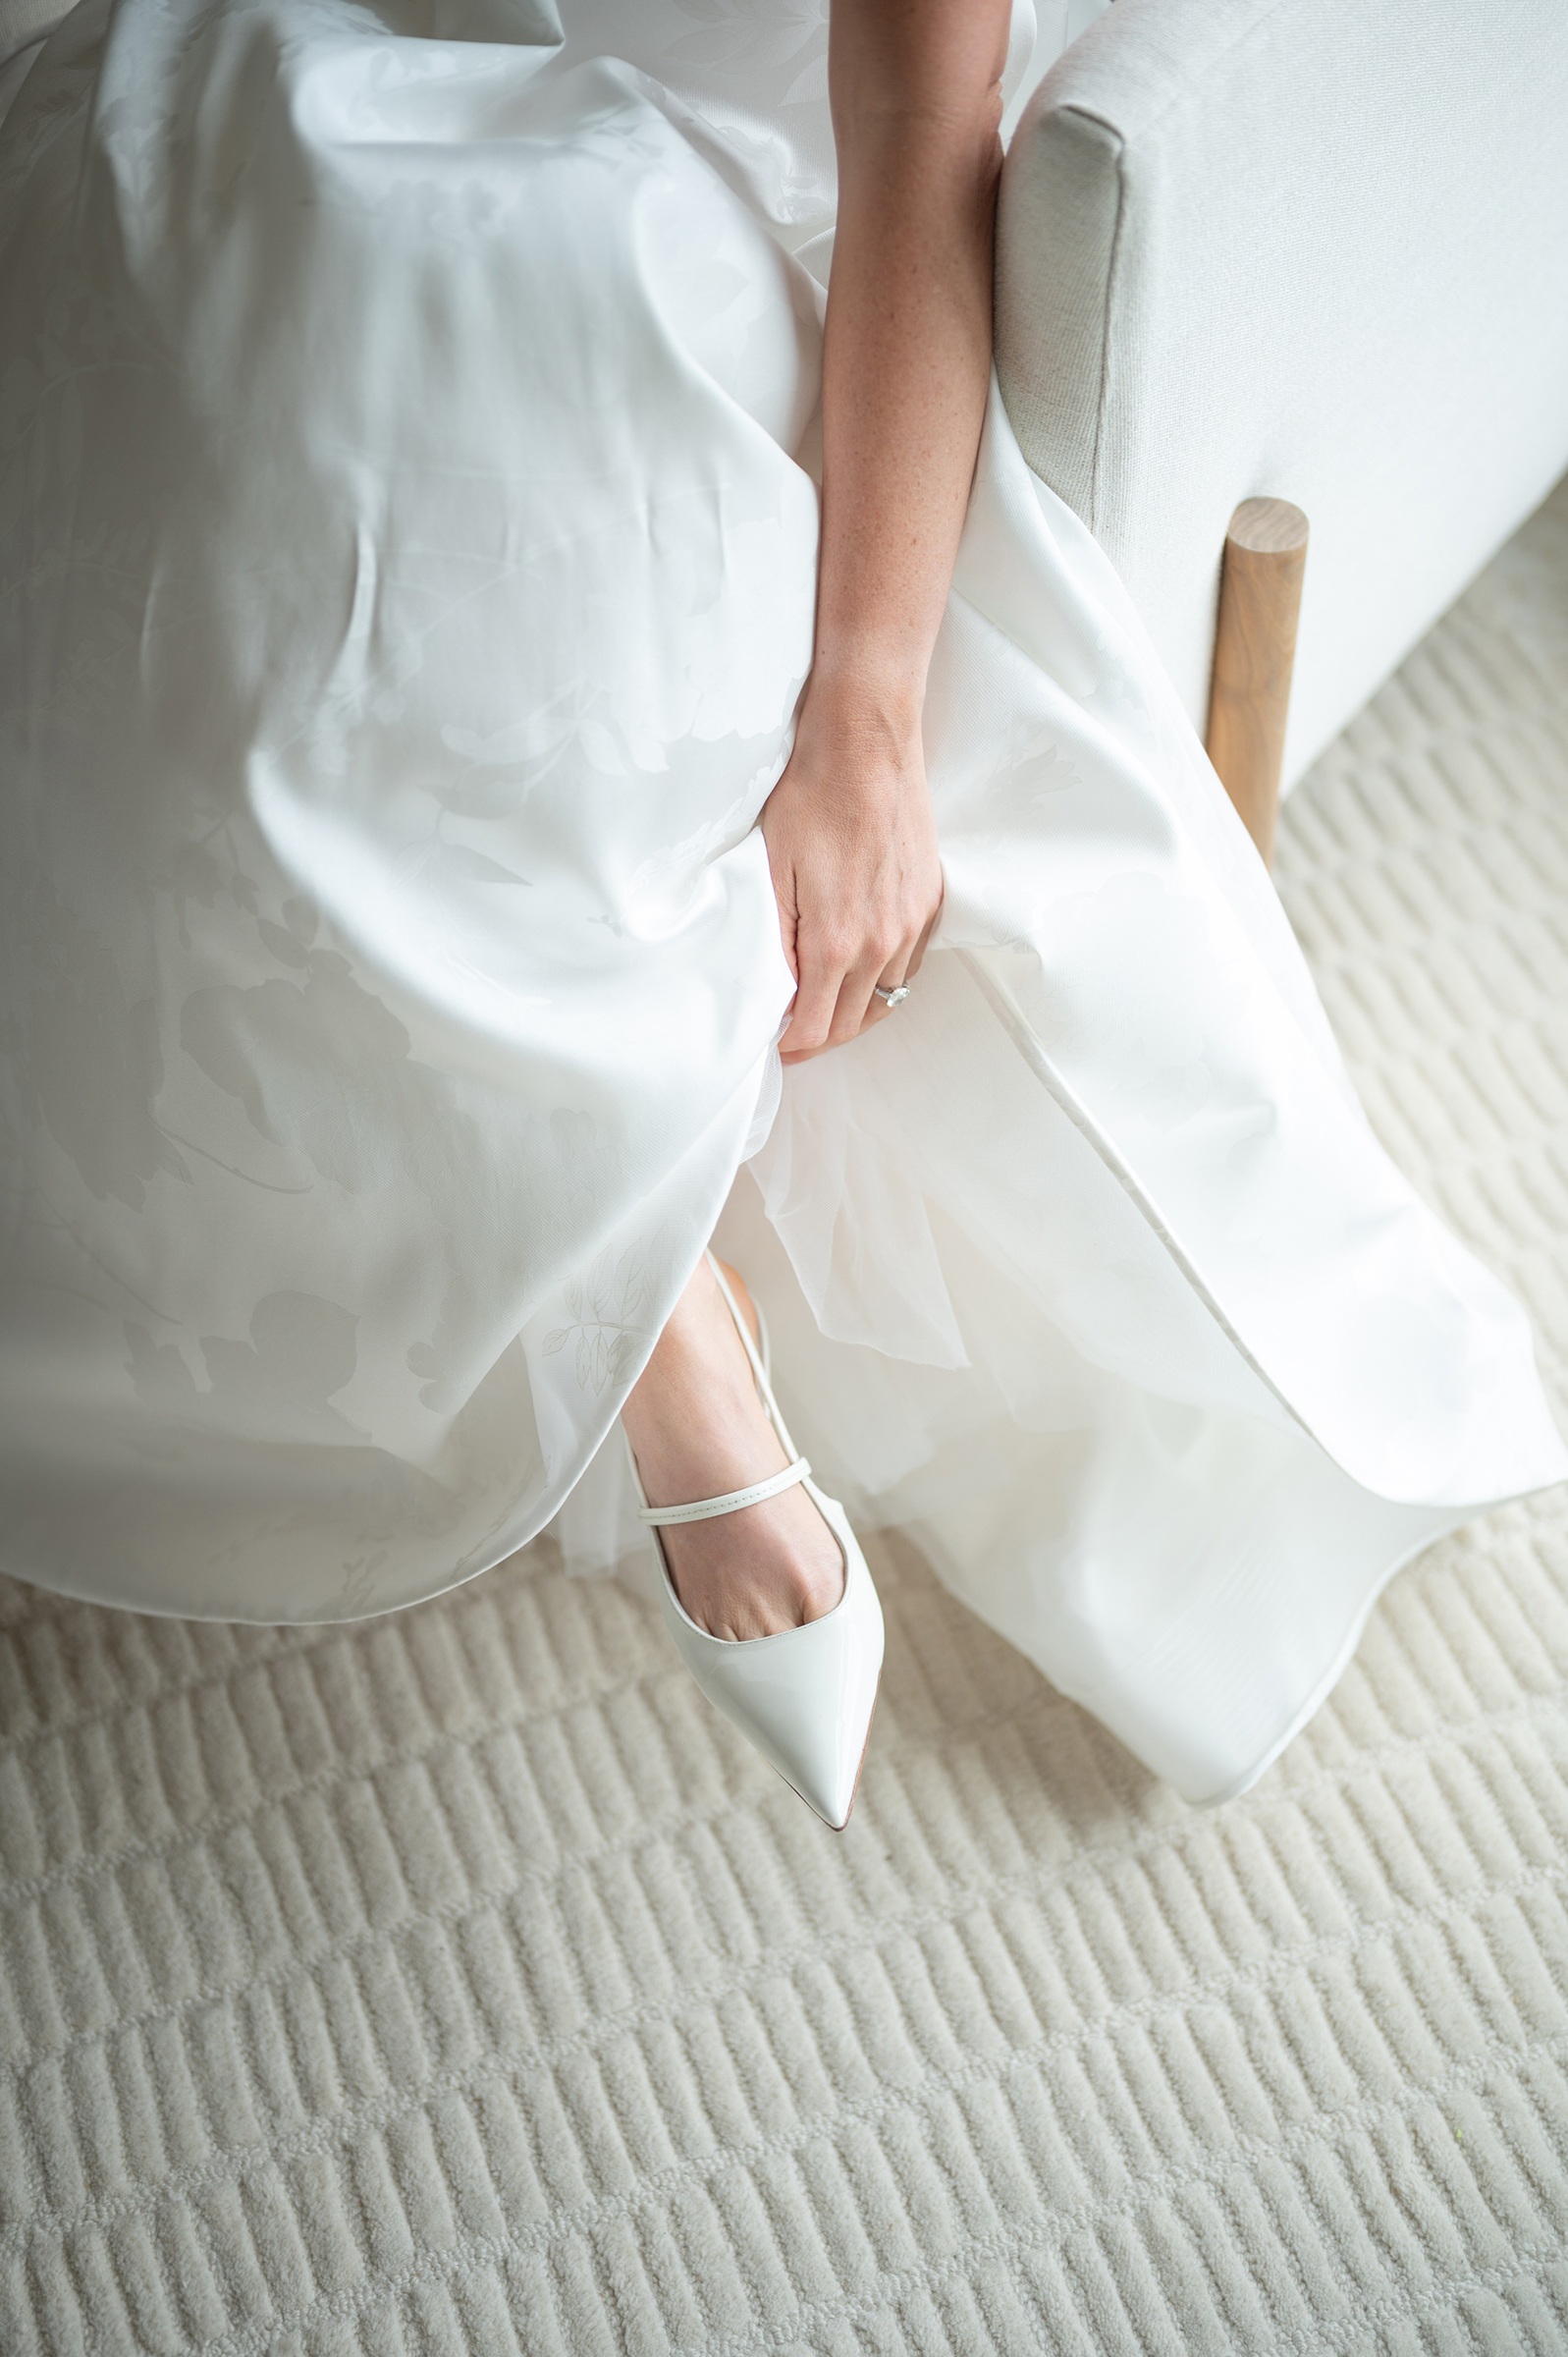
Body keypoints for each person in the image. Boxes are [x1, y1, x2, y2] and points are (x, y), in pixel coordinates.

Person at [1, 0, 1562, 1827]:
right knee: (160, 236)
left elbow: (917, 126)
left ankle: (644, 1289)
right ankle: (659, 1296)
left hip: (681, 175)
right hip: (320, 63)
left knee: (412, 350)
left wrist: (869, 714)